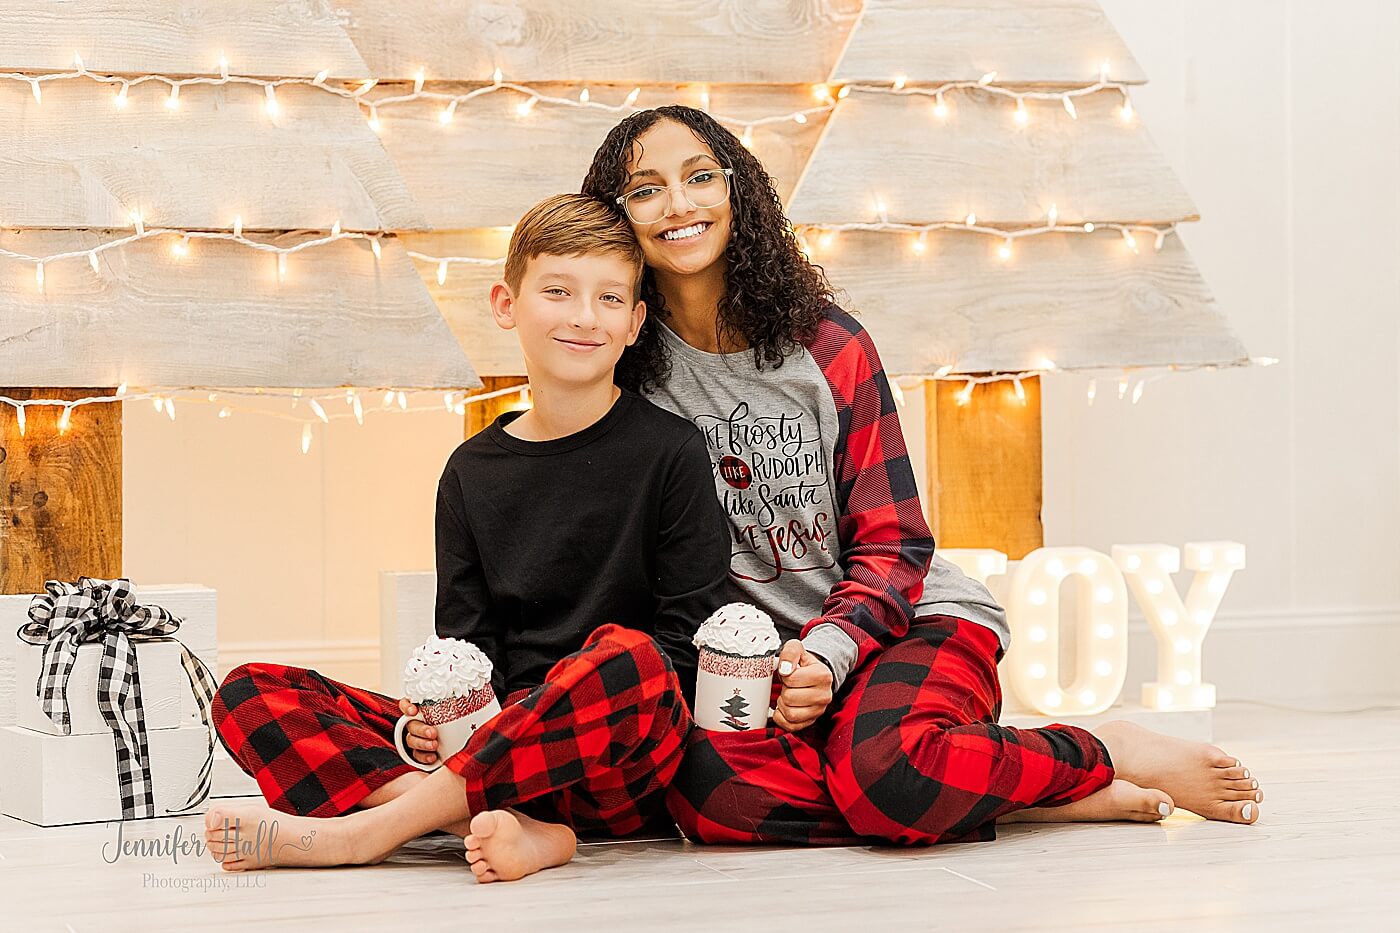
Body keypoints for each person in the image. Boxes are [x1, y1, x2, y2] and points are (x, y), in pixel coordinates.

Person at [580, 105, 1264, 846]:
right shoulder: (625, 373)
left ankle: (1104, 751)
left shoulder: (825, 345)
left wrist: (830, 652)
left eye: (700, 176)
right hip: (767, 667)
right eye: (646, 189)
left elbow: (896, 543)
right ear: (617, 218)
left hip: (907, 621)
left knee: (888, 770)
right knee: (709, 798)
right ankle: (1005, 795)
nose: (679, 203)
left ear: (736, 189)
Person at [204, 193, 730, 880]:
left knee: (631, 657)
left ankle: (368, 832)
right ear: (506, 304)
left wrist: (533, 718)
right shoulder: (471, 472)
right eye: (557, 291)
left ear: (635, 323)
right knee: (248, 692)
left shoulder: (673, 451)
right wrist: (425, 723)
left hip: (616, 754)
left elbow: (682, 653)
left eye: (608, 299)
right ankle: (517, 829)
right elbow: (468, 651)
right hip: (487, 747)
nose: (582, 316)